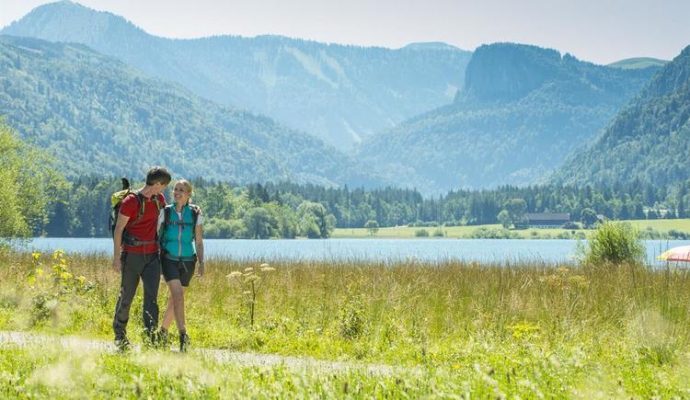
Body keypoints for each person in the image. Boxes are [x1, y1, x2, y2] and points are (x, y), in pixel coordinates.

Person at [112, 166, 171, 351]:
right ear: (157, 184)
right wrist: (116, 257)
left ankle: (150, 338)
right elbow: (119, 229)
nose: (164, 190)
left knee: (151, 299)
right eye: (164, 186)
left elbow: (162, 224)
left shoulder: (159, 199)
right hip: (132, 255)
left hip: (153, 256)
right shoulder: (131, 201)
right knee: (126, 297)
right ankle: (120, 336)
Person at [157, 179, 205, 352]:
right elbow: (157, 236)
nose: (177, 192)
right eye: (175, 189)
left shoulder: (195, 213)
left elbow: (198, 241)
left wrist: (201, 262)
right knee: (177, 296)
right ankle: (183, 335)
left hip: (188, 261)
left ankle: (161, 332)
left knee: (174, 300)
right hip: (168, 259)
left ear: (188, 194)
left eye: (181, 190)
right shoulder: (166, 212)